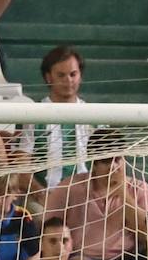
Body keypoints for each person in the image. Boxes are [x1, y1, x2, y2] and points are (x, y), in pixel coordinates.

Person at [42, 129, 148, 260]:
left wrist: (122, 193)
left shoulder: (140, 189)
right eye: (106, 161)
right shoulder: (69, 187)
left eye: (117, 159)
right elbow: (48, 231)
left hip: (126, 259)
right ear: (94, 163)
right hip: (81, 258)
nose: (112, 167)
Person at [19, 46, 93, 194]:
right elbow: (22, 169)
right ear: (48, 77)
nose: (68, 80)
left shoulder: (96, 116)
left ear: (80, 76)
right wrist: (41, 196)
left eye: (73, 74)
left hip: (87, 197)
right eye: (61, 75)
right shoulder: (34, 115)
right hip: (42, 196)